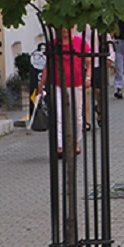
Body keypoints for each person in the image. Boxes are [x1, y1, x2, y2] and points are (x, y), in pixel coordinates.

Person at [37, 27, 91, 158]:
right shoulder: (53, 44)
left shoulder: (80, 42)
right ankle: (60, 145)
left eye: (68, 28)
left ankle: (75, 142)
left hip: (76, 83)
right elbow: (48, 65)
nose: (65, 31)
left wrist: (88, 77)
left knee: (77, 115)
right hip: (58, 84)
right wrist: (41, 83)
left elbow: (88, 62)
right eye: (62, 28)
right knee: (59, 115)